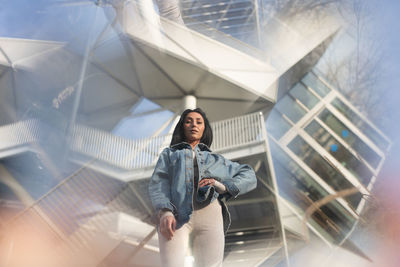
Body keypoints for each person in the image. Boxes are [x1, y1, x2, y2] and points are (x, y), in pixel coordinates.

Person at [148, 108, 257, 267]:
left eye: (199, 122)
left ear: (204, 128)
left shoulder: (216, 159)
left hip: (210, 215)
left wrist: (222, 186)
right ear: (182, 126)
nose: (194, 125)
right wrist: (165, 211)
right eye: (188, 121)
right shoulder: (169, 154)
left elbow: (249, 174)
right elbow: (158, 183)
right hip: (176, 214)